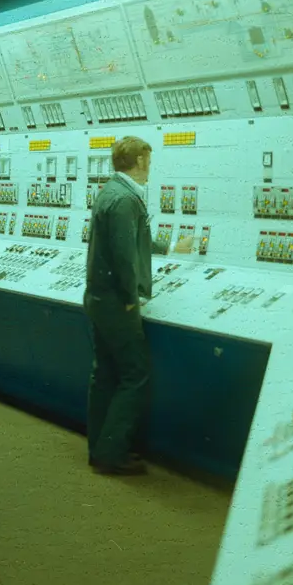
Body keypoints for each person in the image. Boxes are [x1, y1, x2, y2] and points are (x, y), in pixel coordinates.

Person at [83, 136, 192, 475]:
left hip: (99, 297)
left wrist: (170, 247)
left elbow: (134, 240)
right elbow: (124, 257)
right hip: (117, 303)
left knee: (105, 374)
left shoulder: (111, 191)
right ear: (141, 161)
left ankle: (99, 449)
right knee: (135, 374)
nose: (150, 168)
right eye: (149, 161)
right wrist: (132, 299)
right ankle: (112, 453)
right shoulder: (126, 199)